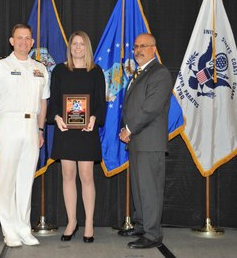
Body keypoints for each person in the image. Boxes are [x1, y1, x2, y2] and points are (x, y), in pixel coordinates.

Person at [0, 23, 49, 247]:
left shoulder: (40, 68)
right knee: (6, 181)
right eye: (19, 38)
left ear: (32, 42)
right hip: (7, 124)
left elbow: (43, 101)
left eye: (28, 38)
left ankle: (24, 228)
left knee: (25, 181)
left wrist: (40, 129)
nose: (24, 42)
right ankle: (9, 230)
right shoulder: (0, 66)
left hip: (31, 128)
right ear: (12, 41)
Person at [47, 31, 106, 243]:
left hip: (86, 132)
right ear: (70, 47)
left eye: (82, 44)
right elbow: (53, 100)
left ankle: (89, 222)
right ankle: (72, 222)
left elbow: (100, 103)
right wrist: (55, 117)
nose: (78, 47)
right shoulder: (60, 71)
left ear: (87, 47)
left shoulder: (96, 71)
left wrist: (94, 118)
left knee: (87, 176)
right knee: (68, 175)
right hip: (65, 131)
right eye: (74, 44)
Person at [118, 33, 172, 249]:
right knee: (140, 188)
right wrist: (128, 130)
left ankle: (152, 235)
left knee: (149, 189)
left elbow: (150, 108)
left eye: (143, 46)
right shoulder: (140, 72)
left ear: (154, 48)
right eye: (136, 46)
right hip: (138, 141)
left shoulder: (160, 73)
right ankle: (141, 226)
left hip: (149, 142)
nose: (138, 50)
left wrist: (129, 129)